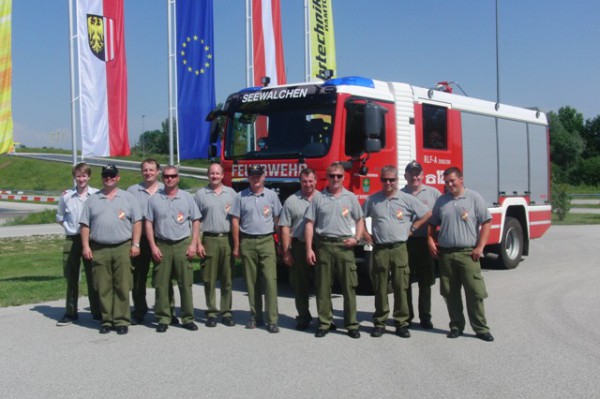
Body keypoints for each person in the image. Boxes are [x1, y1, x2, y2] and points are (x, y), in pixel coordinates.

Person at [428, 166, 494, 342]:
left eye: (453, 181)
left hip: (468, 254)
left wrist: (480, 246)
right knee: (450, 293)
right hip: (446, 255)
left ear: (461, 179)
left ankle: (481, 328)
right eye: (447, 182)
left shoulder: (474, 198)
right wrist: (430, 240)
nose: (450, 184)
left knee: (474, 293)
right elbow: (432, 224)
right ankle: (456, 326)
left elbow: (486, 222)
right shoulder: (442, 201)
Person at [363, 165, 431, 338]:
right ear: (380, 180)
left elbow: (427, 213)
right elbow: (359, 216)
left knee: (401, 286)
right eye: (384, 179)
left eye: (391, 179)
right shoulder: (373, 200)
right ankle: (380, 322)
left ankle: (401, 322)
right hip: (380, 249)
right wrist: (364, 233)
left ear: (396, 180)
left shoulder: (406, 199)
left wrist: (413, 228)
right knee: (380, 286)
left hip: (400, 248)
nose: (388, 183)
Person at [80, 164, 142, 335]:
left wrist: (136, 244)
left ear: (118, 177)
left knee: (122, 285)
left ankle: (121, 320)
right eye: (106, 176)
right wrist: (86, 246)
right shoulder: (93, 199)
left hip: (123, 246)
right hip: (99, 248)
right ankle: (107, 320)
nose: (109, 178)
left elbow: (137, 222)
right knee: (103, 286)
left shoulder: (128, 198)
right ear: (102, 178)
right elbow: (85, 225)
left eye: (112, 175)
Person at [305, 162, 364, 339]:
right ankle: (324, 323)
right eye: (332, 176)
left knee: (349, 288)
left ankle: (351, 324)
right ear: (327, 177)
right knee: (323, 288)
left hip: (345, 247)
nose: (335, 179)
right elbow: (309, 223)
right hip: (324, 246)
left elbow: (360, 219)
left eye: (339, 176)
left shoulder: (351, 197)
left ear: (344, 177)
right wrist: (309, 248)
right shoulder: (318, 198)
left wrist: (357, 239)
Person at [146, 165, 201, 333]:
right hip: (162, 244)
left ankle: (187, 318)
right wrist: (153, 246)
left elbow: (196, 220)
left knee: (185, 283)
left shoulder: (187, 197)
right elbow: (148, 222)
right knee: (161, 284)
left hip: (182, 243)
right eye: (166, 176)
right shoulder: (155, 199)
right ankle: (164, 317)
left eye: (173, 176)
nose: (169, 179)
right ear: (162, 178)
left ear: (178, 177)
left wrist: (193, 243)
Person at [231, 164, 282, 333]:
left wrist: (280, 243)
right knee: (252, 282)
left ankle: (272, 320)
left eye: (258, 175)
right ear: (248, 177)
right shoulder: (240, 197)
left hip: (267, 240)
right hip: (248, 241)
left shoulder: (272, 196)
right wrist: (237, 245)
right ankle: (255, 317)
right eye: (252, 175)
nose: (256, 178)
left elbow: (277, 221)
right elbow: (235, 221)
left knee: (270, 281)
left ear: (264, 176)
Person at [127, 158, 175, 325]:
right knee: (139, 277)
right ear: (142, 172)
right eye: (145, 170)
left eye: (151, 170)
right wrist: (134, 242)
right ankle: (140, 310)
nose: (148, 173)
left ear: (158, 172)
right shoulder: (132, 191)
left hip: (161, 238)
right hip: (140, 240)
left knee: (164, 276)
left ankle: (167, 310)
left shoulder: (166, 188)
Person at [55, 162, 100, 326]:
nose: (81, 179)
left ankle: (97, 311)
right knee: (72, 277)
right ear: (74, 177)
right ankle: (71, 312)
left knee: (93, 276)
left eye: (84, 175)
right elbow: (60, 218)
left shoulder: (96, 195)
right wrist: (71, 230)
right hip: (73, 239)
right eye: (78, 176)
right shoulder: (66, 196)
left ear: (89, 176)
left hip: (91, 240)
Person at [194, 162, 236, 328]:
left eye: (217, 173)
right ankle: (211, 312)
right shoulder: (200, 194)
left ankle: (226, 312)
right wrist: (197, 243)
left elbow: (236, 220)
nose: (215, 176)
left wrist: (237, 244)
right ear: (208, 175)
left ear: (222, 175)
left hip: (227, 239)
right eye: (212, 173)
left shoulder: (232, 194)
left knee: (227, 279)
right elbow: (195, 221)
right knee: (209, 279)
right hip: (209, 239)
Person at [401, 160, 441, 329]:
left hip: (426, 242)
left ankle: (425, 316)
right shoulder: (399, 194)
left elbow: (442, 216)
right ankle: (407, 316)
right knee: (405, 281)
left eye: (418, 173)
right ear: (406, 176)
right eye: (411, 173)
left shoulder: (433, 194)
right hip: (406, 243)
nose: (415, 176)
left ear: (423, 175)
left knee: (425, 282)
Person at [278, 168, 319, 331]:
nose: (308, 185)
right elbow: (285, 227)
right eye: (304, 181)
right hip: (299, 246)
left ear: (316, 180)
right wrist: (286, 251)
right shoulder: (291, 201)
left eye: (310, 181)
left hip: (320, 246)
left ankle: (325, 318)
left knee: (323, 284)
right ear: (300, 182)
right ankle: (303, 317)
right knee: (299, 284)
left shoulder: (324, 199)